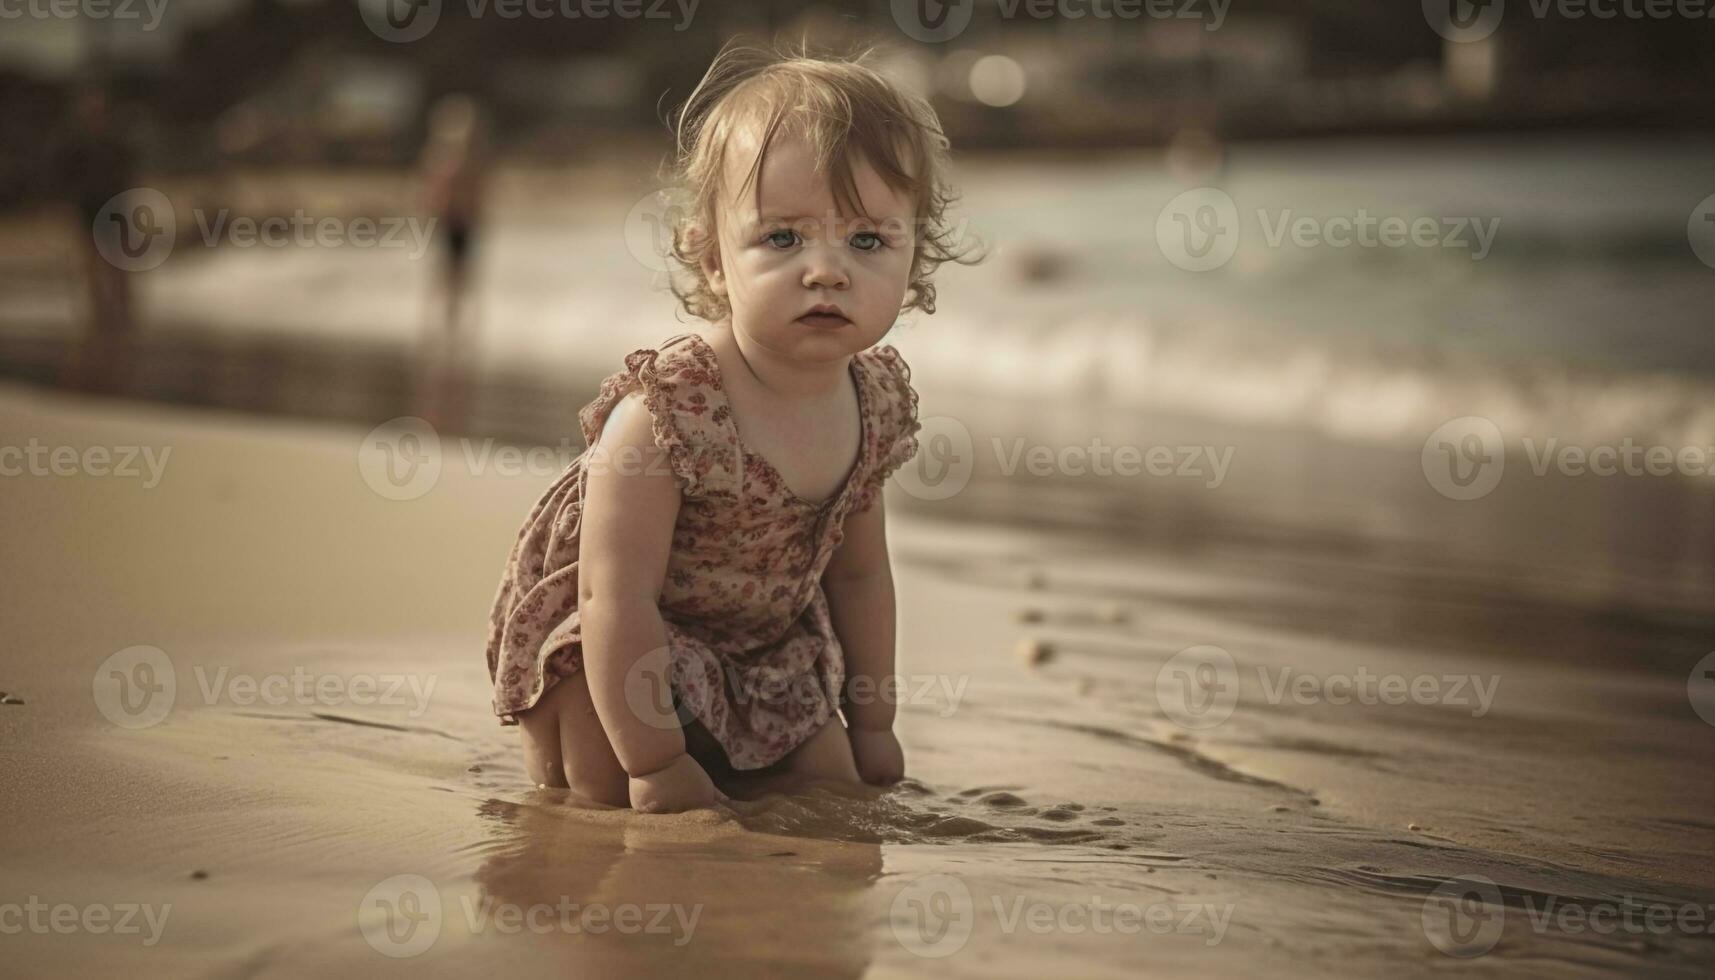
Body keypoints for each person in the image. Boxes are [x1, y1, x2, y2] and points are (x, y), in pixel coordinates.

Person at [483, 41, 977, 813]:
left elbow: (859, 576)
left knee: (834, 791)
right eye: (783, 238)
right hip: (625, 651)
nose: (826, 270)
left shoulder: (871, 407)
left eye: (868, 240)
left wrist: (872, 722)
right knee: (606, 784)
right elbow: (613, 595)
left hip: (766, 660)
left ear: (912, 263)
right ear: (713, 259)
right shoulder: (669, 412)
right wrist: (654, 762)